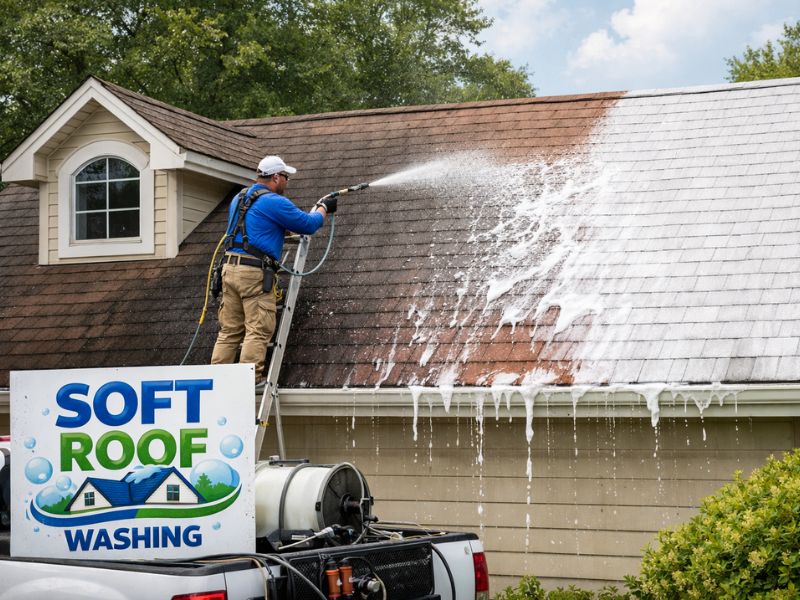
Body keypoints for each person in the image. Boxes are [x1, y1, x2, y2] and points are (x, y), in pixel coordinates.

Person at [210, 155, 336, 387]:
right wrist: (323, 208)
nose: (287, 182)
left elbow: (255, 226)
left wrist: (281, 230)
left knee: (229, 331)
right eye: (286, 177)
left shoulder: (239, 198)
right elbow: (308, 224)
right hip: (252, 273)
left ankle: (218, 382)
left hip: (229, 269)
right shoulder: (274, 202)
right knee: (258, 328)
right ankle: (248, 382)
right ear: (276, 177)